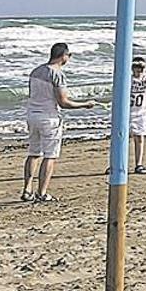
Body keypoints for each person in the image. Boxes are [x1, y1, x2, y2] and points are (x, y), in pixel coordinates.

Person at [21, 43, 96, 202]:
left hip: (32, 115)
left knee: (33, 153)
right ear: (63, 56)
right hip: (49, 117)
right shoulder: (57, 74)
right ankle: (42, 192)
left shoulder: (36, 71)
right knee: (50, 156)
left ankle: (27, 189)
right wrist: (84, 104)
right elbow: (63, 102)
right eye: (68, 55)